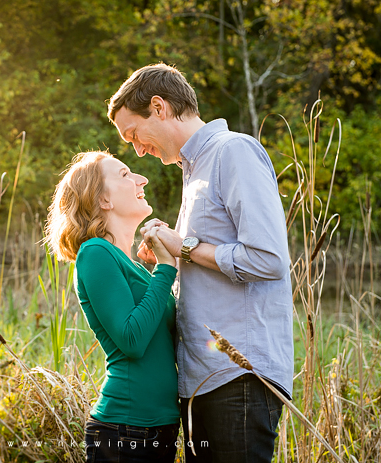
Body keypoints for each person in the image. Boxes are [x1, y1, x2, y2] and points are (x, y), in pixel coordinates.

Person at [107, 63, 294, 463]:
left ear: (159, 107)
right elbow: (210, 270)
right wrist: (169, 257)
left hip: (238, 378)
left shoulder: (233, 151)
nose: (138, 150)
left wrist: (186, 247)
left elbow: (269, 258)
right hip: (201, 382)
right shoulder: (193, 173)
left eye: (134, 135)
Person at [45, 151, 180, 463]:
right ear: (103, 199)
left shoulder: (128, 263)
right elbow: (131, 340)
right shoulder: (94, 252)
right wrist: (165, 268)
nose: (141, 179)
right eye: (124, 174)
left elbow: (161, 337)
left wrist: (160, 270)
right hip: (125, 431)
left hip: (158, 428)